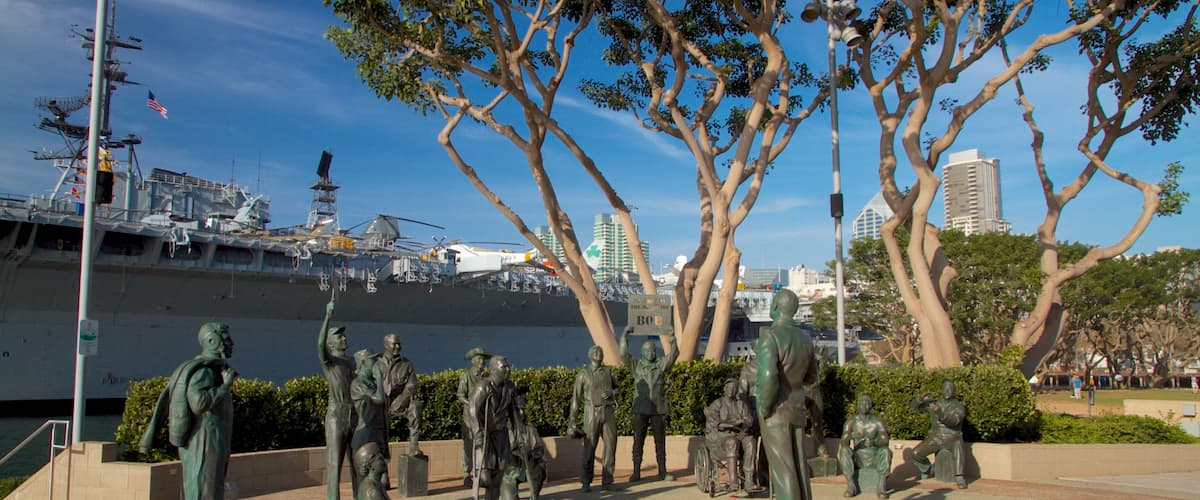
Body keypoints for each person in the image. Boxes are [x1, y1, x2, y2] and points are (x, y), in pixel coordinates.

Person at [139, 322, 238, 500]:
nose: (232, 342)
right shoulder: (205, 372)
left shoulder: (214, 369)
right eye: (226, 338)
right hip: (205, 439)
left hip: (205, 438)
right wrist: (225, 386)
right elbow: (199, 403)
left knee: (204, 486)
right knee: (205, 488)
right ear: (212, 341)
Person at [755, 289, 819, 500]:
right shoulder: (805, 339)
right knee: (799, 465)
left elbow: (767, 375)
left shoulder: (770, 336)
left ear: (774, 307)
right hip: (797, 406)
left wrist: (765, 405)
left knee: (783, 469)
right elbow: (811, 377)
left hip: (776, 409)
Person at [619, 326, 679, 481]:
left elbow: (673, 355)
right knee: (638, 441)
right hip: (641, 409)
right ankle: (636, 471)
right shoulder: (636, 366)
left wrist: (672, 338)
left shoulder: (660, 365)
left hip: (658, 409)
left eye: (653, 350)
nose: (651, 353)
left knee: (660, 442)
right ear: (642, 353)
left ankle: (662, 471)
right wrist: (625, 336)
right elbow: (623, 354)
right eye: (647, 350)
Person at [320, 296, 358, 500]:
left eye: (343, 336)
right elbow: (319, 345)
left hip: (353, 415)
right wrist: (327, 316)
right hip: (336, 415)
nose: (344, 339)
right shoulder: (330, 362)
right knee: (334, 465)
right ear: (331, 343)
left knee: (357, 463)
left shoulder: (352, 362)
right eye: (339, 337)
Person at [468, 356, 521, 500]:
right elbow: (473, 409)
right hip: (486, 434)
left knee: (500, 473)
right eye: (504, 367)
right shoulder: (483, 386)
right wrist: (478, 433)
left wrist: (518, 431)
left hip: (501, 434)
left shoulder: (509, 386)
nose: (508, 369)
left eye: (508, 366)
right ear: (494, 369)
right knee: (485, 478)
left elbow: (513, 410)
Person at [568, 345, 618, 492]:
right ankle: (585, 480)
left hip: (608, 412)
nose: (598, 353)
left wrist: (612, 393)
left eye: (601, 351)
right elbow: (576, 399)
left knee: (610, 446)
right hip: (591, 412)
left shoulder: (608, 371)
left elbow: (618, 388)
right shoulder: (583, 373)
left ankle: (608, 481)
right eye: (595, 351)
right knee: (589, 448)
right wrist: (572, 419)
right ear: (589, 355)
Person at [910, 379, 967, 489]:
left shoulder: (959, 407)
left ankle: (959, 476)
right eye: (945, 388)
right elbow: (914, 408)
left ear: (954, 391)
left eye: (950, 389)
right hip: (936, 437)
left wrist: (939, 412)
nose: (947, 391)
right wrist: (919, 400)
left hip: (952, 436)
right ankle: (929, 469)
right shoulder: (934, 403)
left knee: (958, 446)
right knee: (916, 453)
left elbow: (954, 421)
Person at [703, 379, 758, 492]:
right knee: (731, 442)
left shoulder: (740, 404)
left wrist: (744, 427)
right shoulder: (718, 404)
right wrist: (734, 423)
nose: (731, 391)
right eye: (729, 388)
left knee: (751, 442)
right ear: (724, 389)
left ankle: (749, 480)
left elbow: (749, 420)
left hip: (739, 434)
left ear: (736, 391)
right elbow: (715, 423)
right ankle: (733, 482)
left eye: (734, 388)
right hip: (721, 437)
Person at [377, 334, 423, 457]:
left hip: (399, 402)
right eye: (394, 344)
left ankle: (414, 447)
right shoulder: (376, 363)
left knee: (416, 406)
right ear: (386, 345)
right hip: (378, 403)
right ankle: (379, 450)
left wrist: (402, 401)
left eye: (399, 344)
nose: (398, 346)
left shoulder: (406, 364)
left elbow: (412, 385)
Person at [838, 395, 892, 499]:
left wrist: (873, 442)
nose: (864, 405)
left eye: (867, 402)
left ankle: (881, 487)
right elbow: (843, 443)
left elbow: (885, 441)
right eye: (861, 403)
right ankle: (851, 485)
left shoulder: (877, 422)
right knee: (844, 450)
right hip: (858, 458)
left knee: (886, 451)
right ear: (857, 405)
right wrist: (851, 436)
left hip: (875, 457)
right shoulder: (851, 422)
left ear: (871, 405)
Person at [501, 395, 548, 500]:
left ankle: (534, 495)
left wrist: (533, 456)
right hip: (510, 472)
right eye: (518, 410)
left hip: (527, 468)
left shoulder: (531, 430)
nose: (521, 413)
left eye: (523, 409)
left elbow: (539, 449)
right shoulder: (504, 432)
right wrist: (516, 452)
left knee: (539, 470)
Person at [458, 347, 491, 486]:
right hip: (469, 417)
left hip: (484, 416)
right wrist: (471, 403)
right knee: (469, 444)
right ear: (473, 361)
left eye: (483, 359)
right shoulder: (466, 376)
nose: (482, 361)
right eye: (479, 358)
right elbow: (460, 395)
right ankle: (467, 473)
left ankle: (481, 471)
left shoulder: (487, 377)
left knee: (483, 443)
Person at [351, 349, 388, 474]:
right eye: (373, 360)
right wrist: (379, 378)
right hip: (366, 435)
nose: (376, 364)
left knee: (381, 478)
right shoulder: (358, 384)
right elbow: (379, 399)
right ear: (363, 363)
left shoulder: (372, 384)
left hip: (378, 432)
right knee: (368, 477)